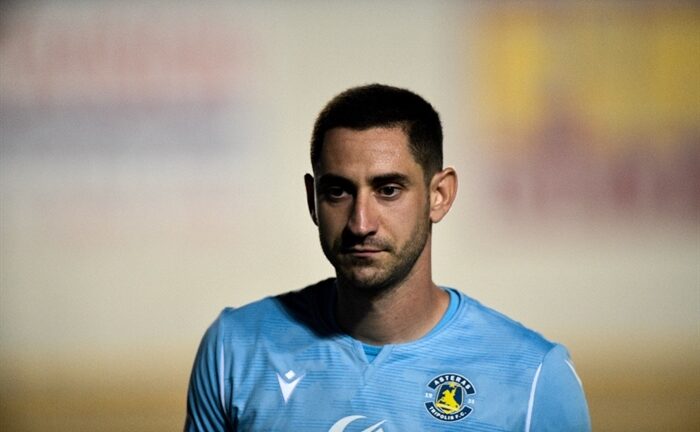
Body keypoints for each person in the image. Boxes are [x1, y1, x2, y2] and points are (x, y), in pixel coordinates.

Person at [185, 84, 591, 431]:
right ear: (312, 200)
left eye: (389, 190)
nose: (361, 223)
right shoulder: (235, 350)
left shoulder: (533, 375)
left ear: (439, 195)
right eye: (338, 191)